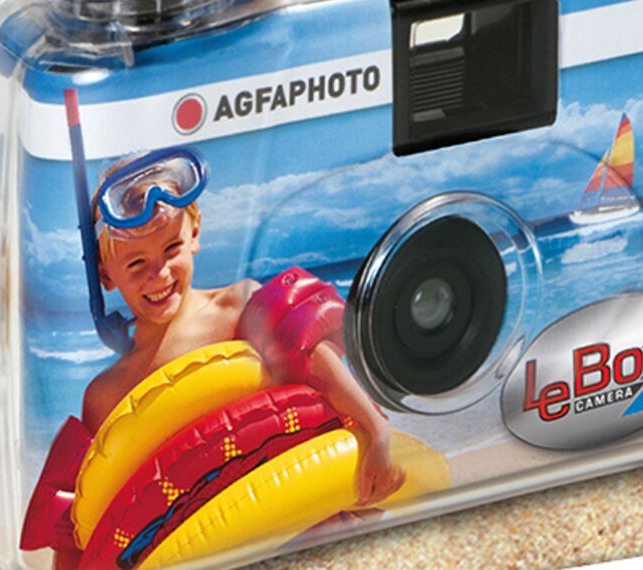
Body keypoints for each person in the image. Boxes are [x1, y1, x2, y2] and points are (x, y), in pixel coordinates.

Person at [79, 151, 403, 507]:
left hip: (298, 501)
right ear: (104, 274)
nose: (160, 274)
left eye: (172, 248)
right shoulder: (107, 395)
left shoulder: (238, 307)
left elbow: (312, 359)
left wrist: (377, 432)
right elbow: (103, 499)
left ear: (194, 234)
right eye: (136, 263)